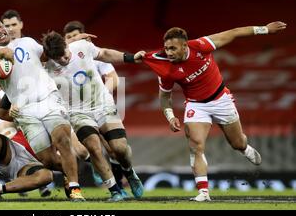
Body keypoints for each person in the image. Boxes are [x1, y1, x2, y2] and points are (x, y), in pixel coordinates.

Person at [141, 21, 287, 201]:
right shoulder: (166, 69)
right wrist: (170, 117)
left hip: (221, 100)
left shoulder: (201, 45)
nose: (169, 53)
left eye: (173, 48)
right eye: (166, 48)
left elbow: (234, 31)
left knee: (237, 143)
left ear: (185, 45)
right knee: (195, 145)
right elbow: (164, 97)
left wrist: (265, 29)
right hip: (196, 105)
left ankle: (244, 148)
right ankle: (203, 192)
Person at [0, 18, 85, 201]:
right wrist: (2, 52)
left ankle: (74, 188)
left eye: (0, 25)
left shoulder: (27, 42)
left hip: (49, 98)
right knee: (48, 160)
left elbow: (48, 54)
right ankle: (70, 173)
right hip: (25, 112)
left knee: (62, 138)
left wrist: (70, 43)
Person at [42, 31, 145, 199]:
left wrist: (130, 57)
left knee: (119, 148)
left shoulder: (82, 47)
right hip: (78, 113)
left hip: (103, 105)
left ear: (67, 46)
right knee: (93, 147)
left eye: (64, 54)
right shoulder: (47, 66)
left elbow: (104, 53)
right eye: (58, 58)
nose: (63, 60)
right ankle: (115, 191)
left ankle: (129, 171)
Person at [63, 20, 129, 194]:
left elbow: (113, 78)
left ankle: (120, 184)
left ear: (83, 37)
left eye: (75, 36)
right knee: (83, 149)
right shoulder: (59, 58)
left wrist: (100, 95)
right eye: (68, 37)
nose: (72, 40)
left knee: (114, 150)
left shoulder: (92, 53)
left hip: (98, 106)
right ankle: (95, 164)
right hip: (74, 110)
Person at [0, 92, 54, 201]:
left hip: (31, 162)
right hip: (10, 148)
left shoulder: (48, 96)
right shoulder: (9, 91)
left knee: (46, 176)